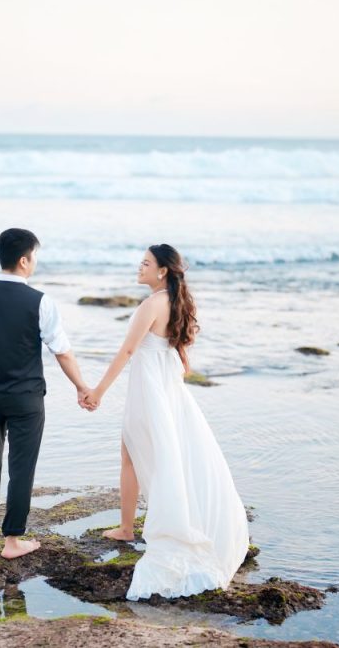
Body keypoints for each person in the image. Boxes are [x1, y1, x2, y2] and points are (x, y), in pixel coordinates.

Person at [80, 244, 250, 599]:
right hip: (165, 385)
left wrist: (98, 391)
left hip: (150, 387)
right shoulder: (176, 301)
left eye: (145, 263)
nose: (139, 267)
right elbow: (175, 346)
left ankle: (128, 528)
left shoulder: (151, 304)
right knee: (161, 452)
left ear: (161, 271)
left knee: (132, 454)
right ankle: (129, 525)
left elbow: (128, 350)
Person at [0, 228, 92, 559]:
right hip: (26, 397)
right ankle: (13, 540)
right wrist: (82, 387)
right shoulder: (40, 301)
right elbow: (62, 352)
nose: (36, 262)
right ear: (24, 260)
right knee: (21, 466)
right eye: (35, 256)